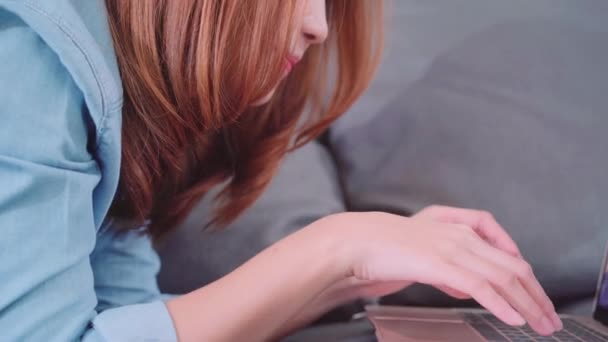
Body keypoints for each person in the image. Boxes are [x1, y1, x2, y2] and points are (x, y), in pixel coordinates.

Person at [0, 0, 561, 340]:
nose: (319, 25)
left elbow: (124, 317)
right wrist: (338, 245)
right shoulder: (34, 45)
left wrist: (345, 278)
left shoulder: (118, 110)